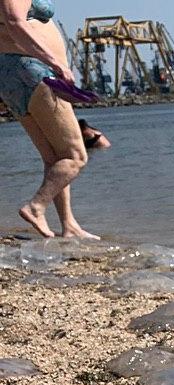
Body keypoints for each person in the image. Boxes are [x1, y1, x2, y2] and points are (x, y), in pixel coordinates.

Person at [0, 0, 97, 239]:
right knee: (75, 156)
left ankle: (69, 224)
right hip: (32, 69)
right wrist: (55, 63)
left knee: (54, 156)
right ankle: (36, 207)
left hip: (14, 73)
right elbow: (15, 22)